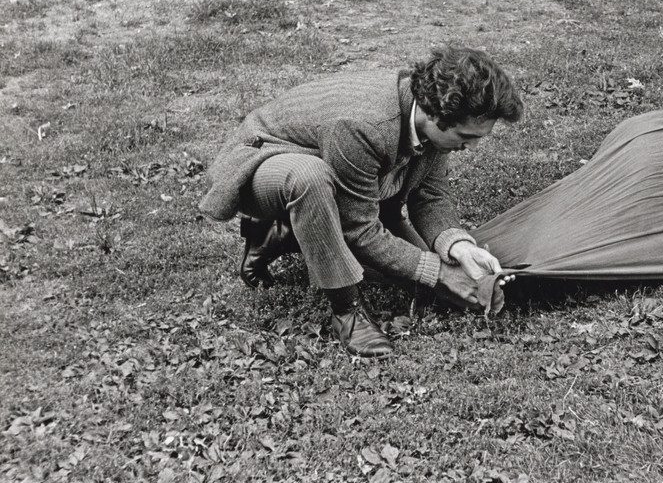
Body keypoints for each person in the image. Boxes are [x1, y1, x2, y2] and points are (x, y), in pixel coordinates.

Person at [198, 46, 524, 358]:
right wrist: (438, 271)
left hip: (332, 167)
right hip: (261, 161)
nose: (473, 147)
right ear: (433, 113)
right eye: (467, 137)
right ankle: (346, 311)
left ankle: (287, 233)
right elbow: (361, 231)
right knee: (311, 179)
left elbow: (431, 196)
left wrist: (459, 248)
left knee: (432, 286)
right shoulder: (364, 124)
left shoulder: (431, 115)